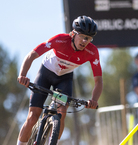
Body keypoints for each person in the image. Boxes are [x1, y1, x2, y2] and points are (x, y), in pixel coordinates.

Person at [17, 15, 103, 145]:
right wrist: (22, 74)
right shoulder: (60, 40)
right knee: (33, 117)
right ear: (73, 34)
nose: (85, 41)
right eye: (83, 36)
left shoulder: (92, 52)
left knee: (61, 112)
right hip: (45, 75)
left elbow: (98, 80)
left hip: (64, 80)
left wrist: (94, 100)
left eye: (89, 38)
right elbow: (32, 55)